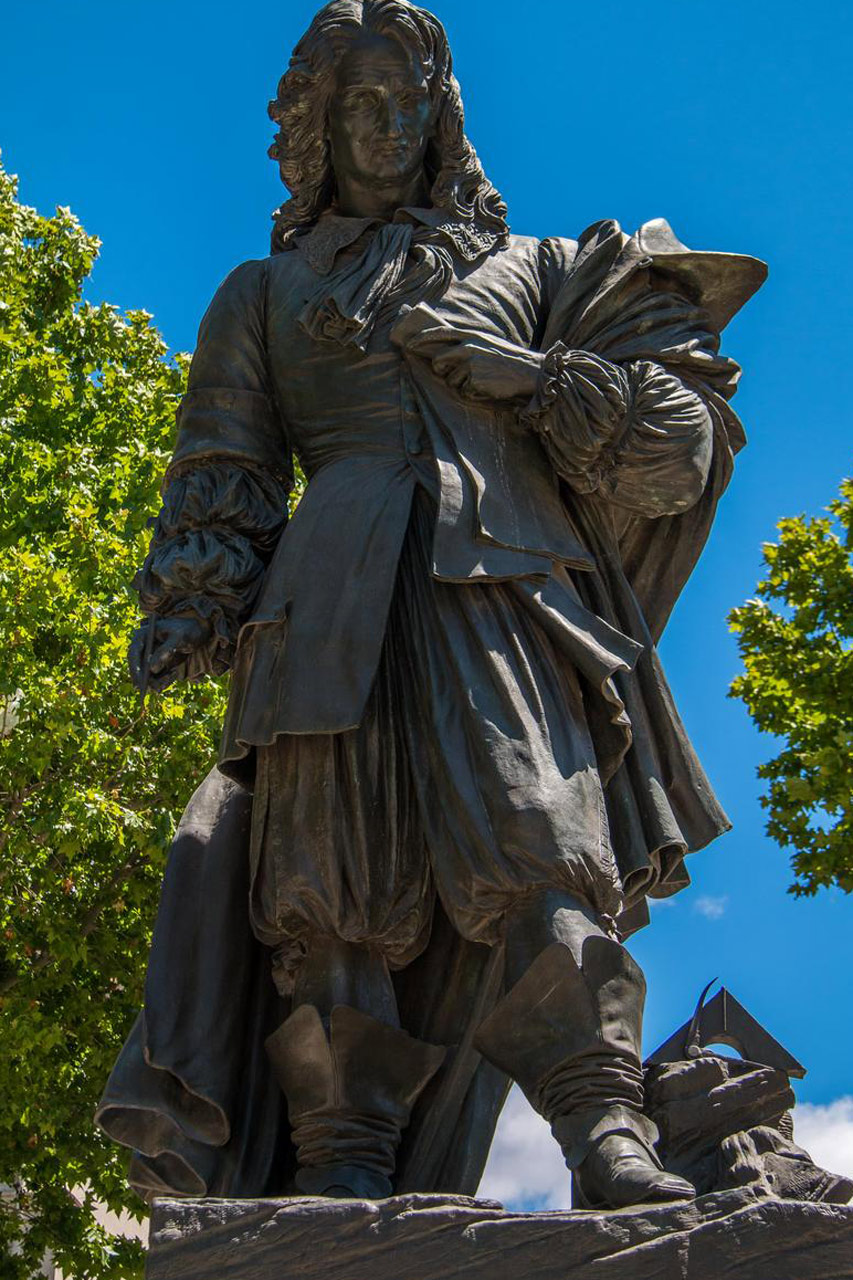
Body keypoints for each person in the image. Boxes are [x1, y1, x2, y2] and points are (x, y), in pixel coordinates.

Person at [97, 0, 765, 1210]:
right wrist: (190, 608)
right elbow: (223, 477)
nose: (387, 123)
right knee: (327, 893)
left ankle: (605, 1124)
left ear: (442, 116)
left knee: (539, 837)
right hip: (320, 613)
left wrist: (539, 378)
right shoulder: (259, 294)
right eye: (359, 101)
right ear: (314, 123)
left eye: (410, 100)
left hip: (497, 592)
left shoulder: (543, 272)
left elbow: (679, 446)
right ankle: (339, 1154)